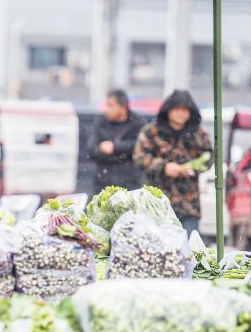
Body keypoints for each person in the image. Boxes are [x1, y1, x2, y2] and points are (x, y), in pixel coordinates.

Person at [133, 90, 212, 236]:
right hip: (157, 202)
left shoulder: (198, 133)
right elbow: (139, 156)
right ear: (168, 111)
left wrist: (190, 168)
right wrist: (164, 167)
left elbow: (209, 157)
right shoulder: (152, 132)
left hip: (189, 204)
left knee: (190, 248)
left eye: (184, 110)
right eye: (176, 109)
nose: (180, 114)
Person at [88, 89, 145, 193]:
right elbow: (92, 150)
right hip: (102, 185)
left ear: (122, 107)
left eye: (110, 105)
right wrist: (122, 155)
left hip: (129, 186)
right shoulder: (100, 122)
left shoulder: (137, 123)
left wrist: (114, 148)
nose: (106, 109)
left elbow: (139, 147)